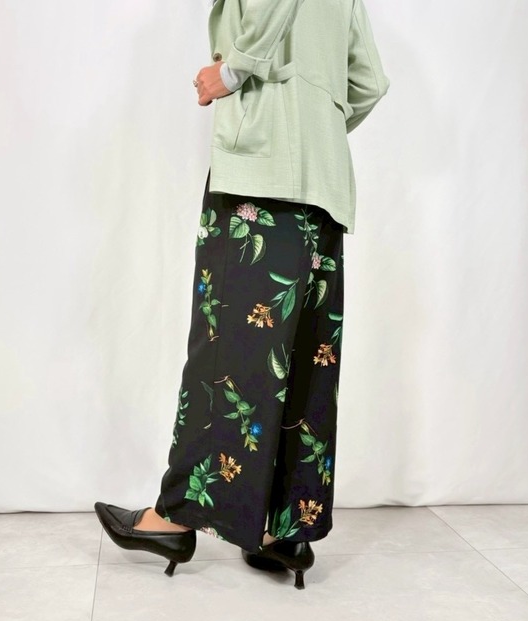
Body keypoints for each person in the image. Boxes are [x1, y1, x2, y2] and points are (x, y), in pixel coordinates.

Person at [95, 0, 389, 590]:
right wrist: (313, 122)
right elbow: (370, 83)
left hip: (260, 176)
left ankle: (175, 517)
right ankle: (287, 529)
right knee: (304, 358)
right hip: (324, 182)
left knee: (225, 349)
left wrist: (230, 73)